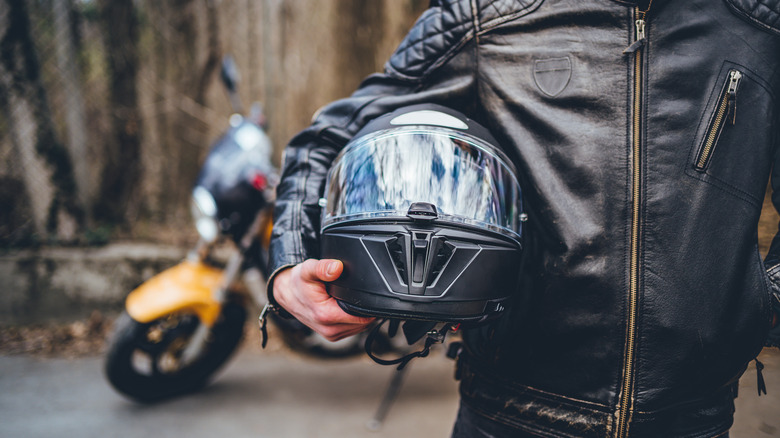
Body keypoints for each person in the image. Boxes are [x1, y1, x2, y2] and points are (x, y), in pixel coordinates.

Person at [266, 0, 780, 436]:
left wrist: (762, 302)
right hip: (509, 412)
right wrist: (290, 265)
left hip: (695, 417)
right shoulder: (490, 12)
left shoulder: (761, 21)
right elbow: (332, 136)